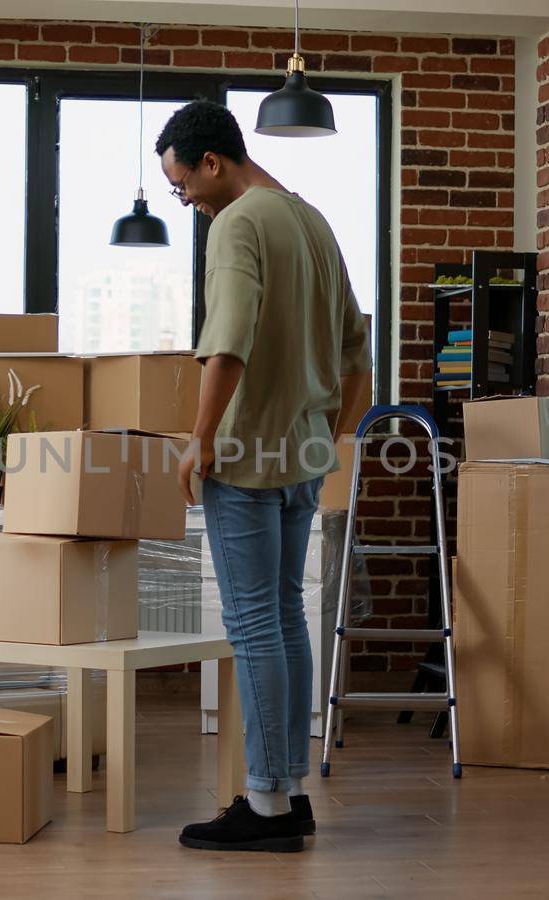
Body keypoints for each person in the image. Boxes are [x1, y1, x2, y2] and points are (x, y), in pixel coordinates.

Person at [161, 101, 372, 853]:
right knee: (285, 616)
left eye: (182, 184)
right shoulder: (311, 219)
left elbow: (230, 341)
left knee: (254, 623)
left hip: (247, 455)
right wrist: (330, 433)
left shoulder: (237, 224)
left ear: (212, 162)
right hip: (304, 455)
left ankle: (266, 806)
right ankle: (285, 789)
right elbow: (358, 344)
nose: (184, 200)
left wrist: (200, 439)